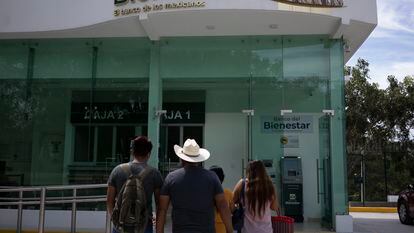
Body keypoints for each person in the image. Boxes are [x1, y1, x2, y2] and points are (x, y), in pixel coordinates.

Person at [156, 139, 233, 233]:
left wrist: (159, 231)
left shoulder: (171, 178)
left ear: (182, 158)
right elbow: (223, 205)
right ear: (199, 159)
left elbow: (162, 209)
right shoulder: (212, 177)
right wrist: (230, 230)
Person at [107, 136, 163, 233]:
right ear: (149, 154)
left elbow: (109, 200)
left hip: (120, 226)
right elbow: (160, 205)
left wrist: (115, 220)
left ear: (132, 152)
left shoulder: (117, 170)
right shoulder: (154, 173)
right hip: (144, 225)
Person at [232, 160, 280, 233]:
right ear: (263, 171)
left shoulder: (242, 184)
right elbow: (274, 207)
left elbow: (231, 202)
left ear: (248, 171)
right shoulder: (269, 185)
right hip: (266, 230)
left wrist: (237, 208)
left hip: (247, 230)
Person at [209, 166, 234, 233]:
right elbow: (232, 209)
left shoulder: (205, 194)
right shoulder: (228, 193)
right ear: (222, 178)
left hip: (208, 226)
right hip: (223, 226)